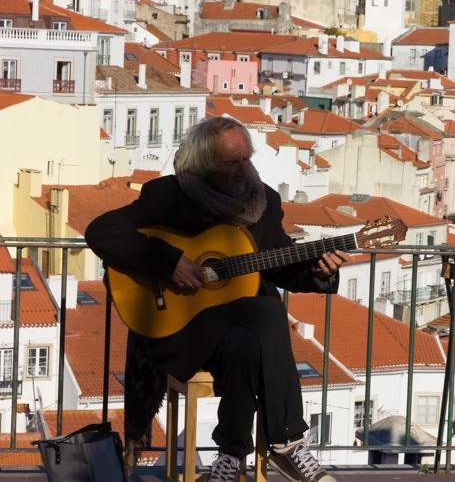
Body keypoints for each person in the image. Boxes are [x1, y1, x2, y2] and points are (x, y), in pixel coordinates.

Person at [86, 117, 344, 482]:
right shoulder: (169, 196)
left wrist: (320, 272)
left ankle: (231, 455)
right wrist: (169, 261)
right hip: (181, 329)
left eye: (246, 159)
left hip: (238, 331)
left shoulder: (264, 201)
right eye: (230, 163)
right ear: (205, 165)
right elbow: (101, 231)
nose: (243, 170)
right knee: (269, 310)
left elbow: (279, 262)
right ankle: (287, 442)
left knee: (246, 343)